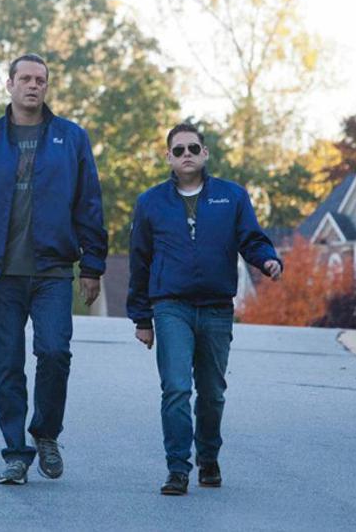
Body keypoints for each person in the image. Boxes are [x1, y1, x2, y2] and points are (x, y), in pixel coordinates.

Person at [0, 53, 108, 485]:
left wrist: (92, 265)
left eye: (40, 79)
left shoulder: (71, 138)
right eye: (25, 78)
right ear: (9, 85)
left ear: (46, 86)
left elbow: (89, 203)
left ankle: (45, 432)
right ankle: (15, 453)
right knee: (6, 366)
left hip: (53, 270)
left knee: (55, 352)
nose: (33, 85)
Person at [127, 122, 283, 496]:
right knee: (176, 388)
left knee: (212, 393)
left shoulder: (231, 197)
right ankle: (177, 469)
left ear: (205, 153)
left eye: (193, 148)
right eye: (179, 150)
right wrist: (142, 318)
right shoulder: (151, 202)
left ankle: (208, 458)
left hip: (216, 308)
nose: (187, 155)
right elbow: (140, 261)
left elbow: (251, 239)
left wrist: (268, 260)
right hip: (171, 307)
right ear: (168, 157)